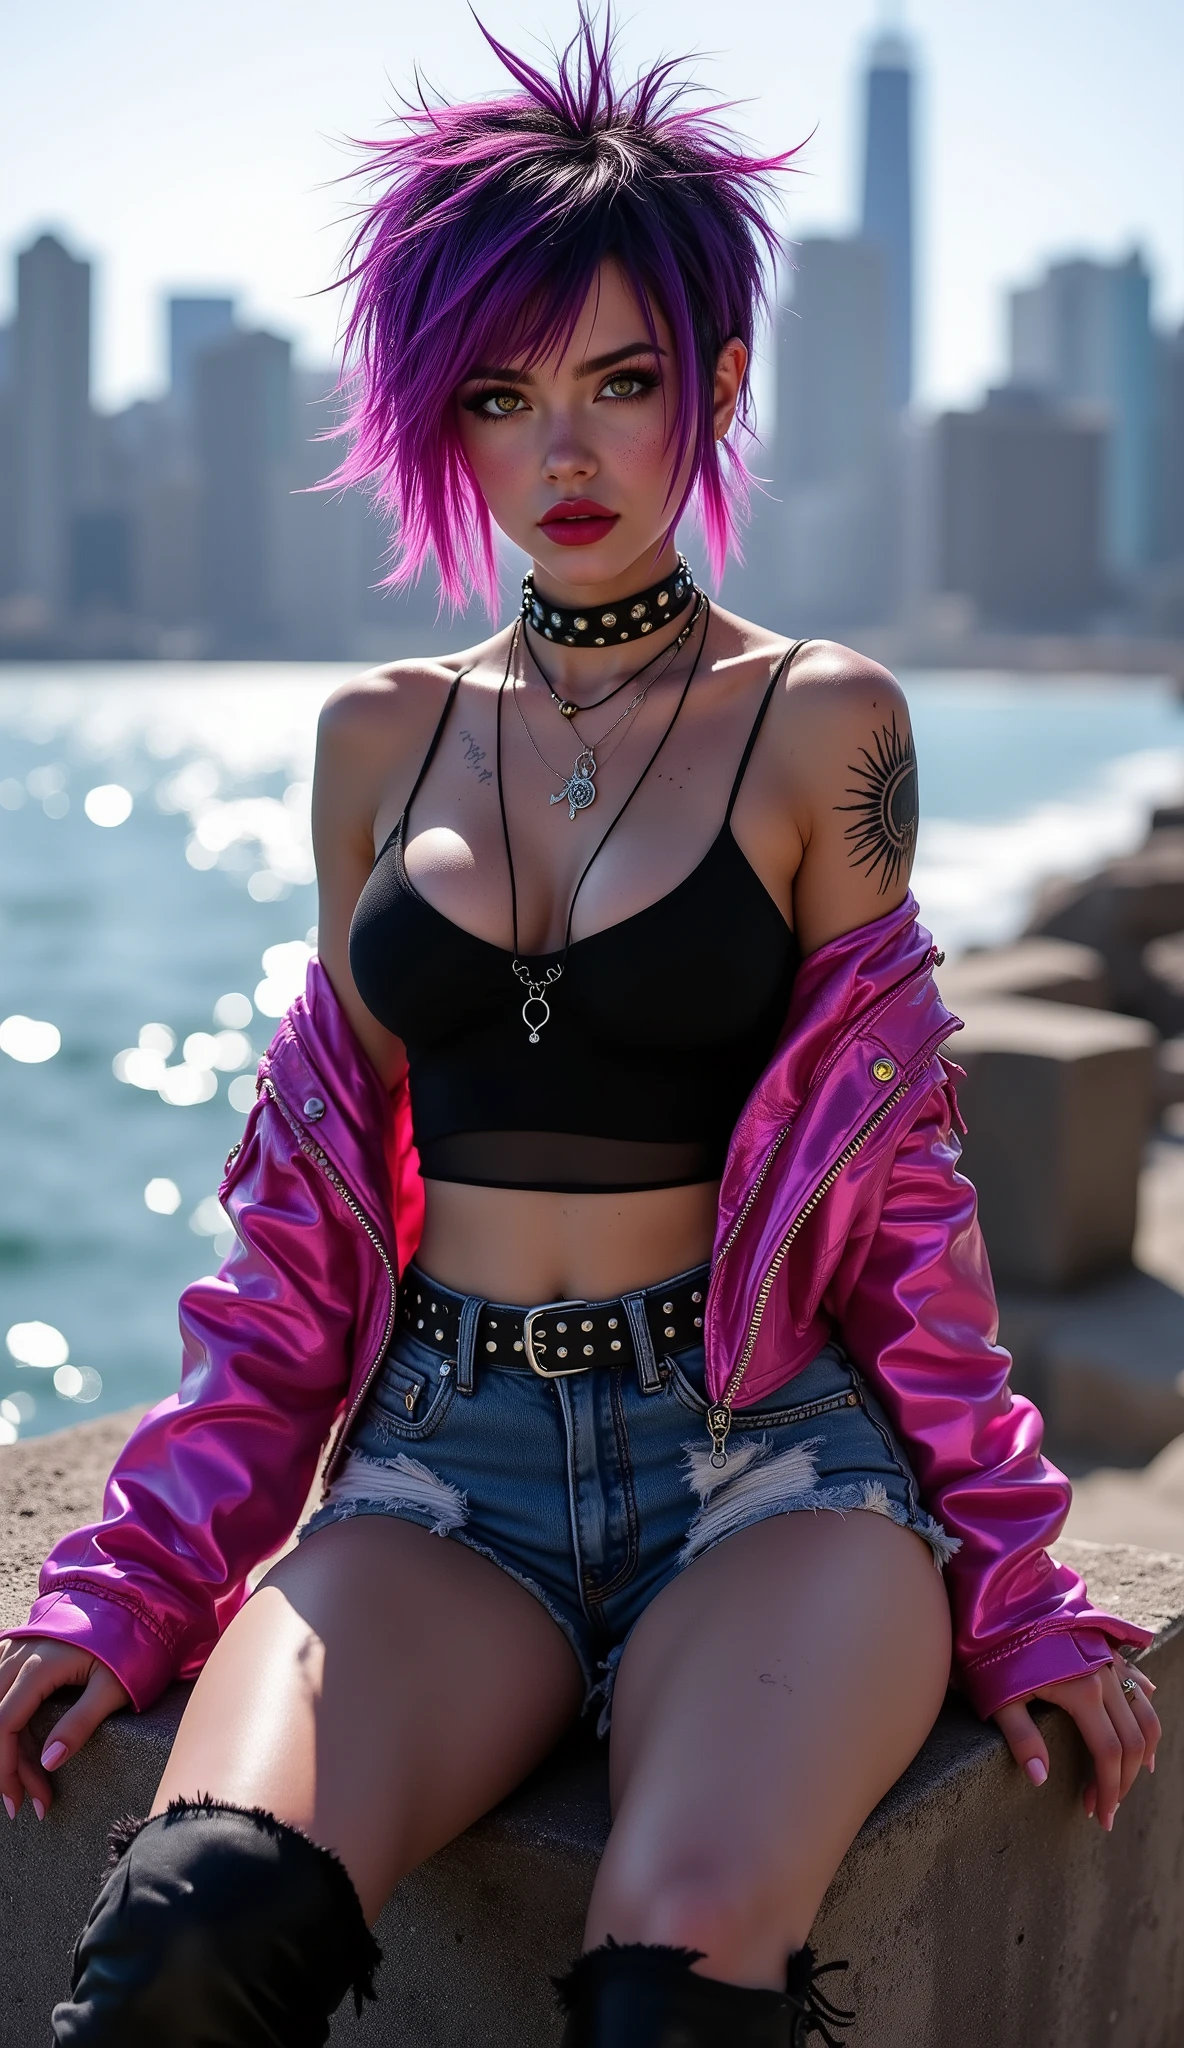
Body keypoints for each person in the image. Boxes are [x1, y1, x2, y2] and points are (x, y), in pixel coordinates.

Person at [0, 15, 1161, 2046]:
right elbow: (302, 1218)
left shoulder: (827, 726)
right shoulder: (377, 735)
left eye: (622, 383)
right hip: (437, 1473)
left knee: (678, 1955)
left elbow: (897, 1198)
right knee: (187, 1932)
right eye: (501, 396)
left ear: (714, 385)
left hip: (765, 1475)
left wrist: (1015, 1568)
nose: (565, 455)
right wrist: (144, 1567)